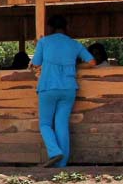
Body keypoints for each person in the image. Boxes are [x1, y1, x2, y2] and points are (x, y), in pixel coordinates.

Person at [31, 16, 96, 168]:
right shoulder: (74, 44)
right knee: (61, 123)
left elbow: (35, 64)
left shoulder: (44, 42)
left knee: (46, 124)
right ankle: (62, 164)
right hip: (68, 88)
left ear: (50, 28)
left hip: (48, 86)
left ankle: (54, 152)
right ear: (66, 27)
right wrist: (75, 67)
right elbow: (92, 62)